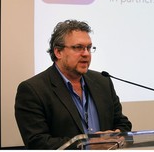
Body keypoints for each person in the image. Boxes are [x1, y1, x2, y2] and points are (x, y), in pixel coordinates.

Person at [14, 20, 132, 149]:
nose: (86, 54)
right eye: (78, 47)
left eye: (88, 48)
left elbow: (122, 123)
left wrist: (117, 136)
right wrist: (89, 146)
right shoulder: (33, 90)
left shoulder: (102, 81)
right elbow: (37, 142)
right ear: (58, 52)